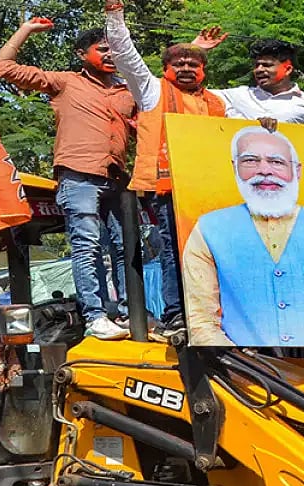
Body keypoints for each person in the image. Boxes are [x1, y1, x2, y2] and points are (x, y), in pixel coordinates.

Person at [0, 19, 136, 340]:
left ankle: (129, 313)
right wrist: (26, 30)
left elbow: (159, 120)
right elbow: (2, 67)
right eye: (102, 49)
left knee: (128, 246)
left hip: (118, 180)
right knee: (88, 245)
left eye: (115, 50)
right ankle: (96, 316)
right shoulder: (66, 82)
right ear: (82, 54)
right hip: (78, 176)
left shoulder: (128, 91)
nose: (110, 55)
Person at [182, 127, 304, 347]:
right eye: (250, 161)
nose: (264, 170)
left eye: (277, 162)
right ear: (235, 168)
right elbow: (201, 321)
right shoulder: (208, 229)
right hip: (239, 373)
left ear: (297, 171)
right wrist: (241, 367)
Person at [104, 4, 227, 336]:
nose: (186, 68)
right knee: (175, 250)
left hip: (210, 193)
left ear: (204, 70)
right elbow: (124, 54)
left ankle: (214, 313)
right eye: (178, 64)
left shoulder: (218, 102)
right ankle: (177, 314)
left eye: (193, 64)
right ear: (165, 69)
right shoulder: (152, 91)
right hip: (168, 190)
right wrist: (115, 16)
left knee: (214, 253)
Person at [211, 39, 304, 126]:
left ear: (288, 69)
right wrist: (197, 49)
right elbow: (194, 94)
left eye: (267, 65)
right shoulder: (237, 96)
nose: (259, 70)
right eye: (257, 65)